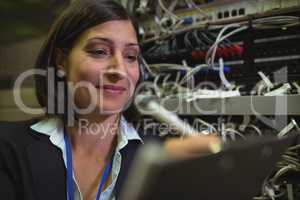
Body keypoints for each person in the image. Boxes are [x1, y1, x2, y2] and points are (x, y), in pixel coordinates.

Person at [0, 0, 220, 200]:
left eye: (131, 56)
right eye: (99, 51)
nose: (120, 70)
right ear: (61, 61)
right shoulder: (8, 147)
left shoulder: (163, 159)